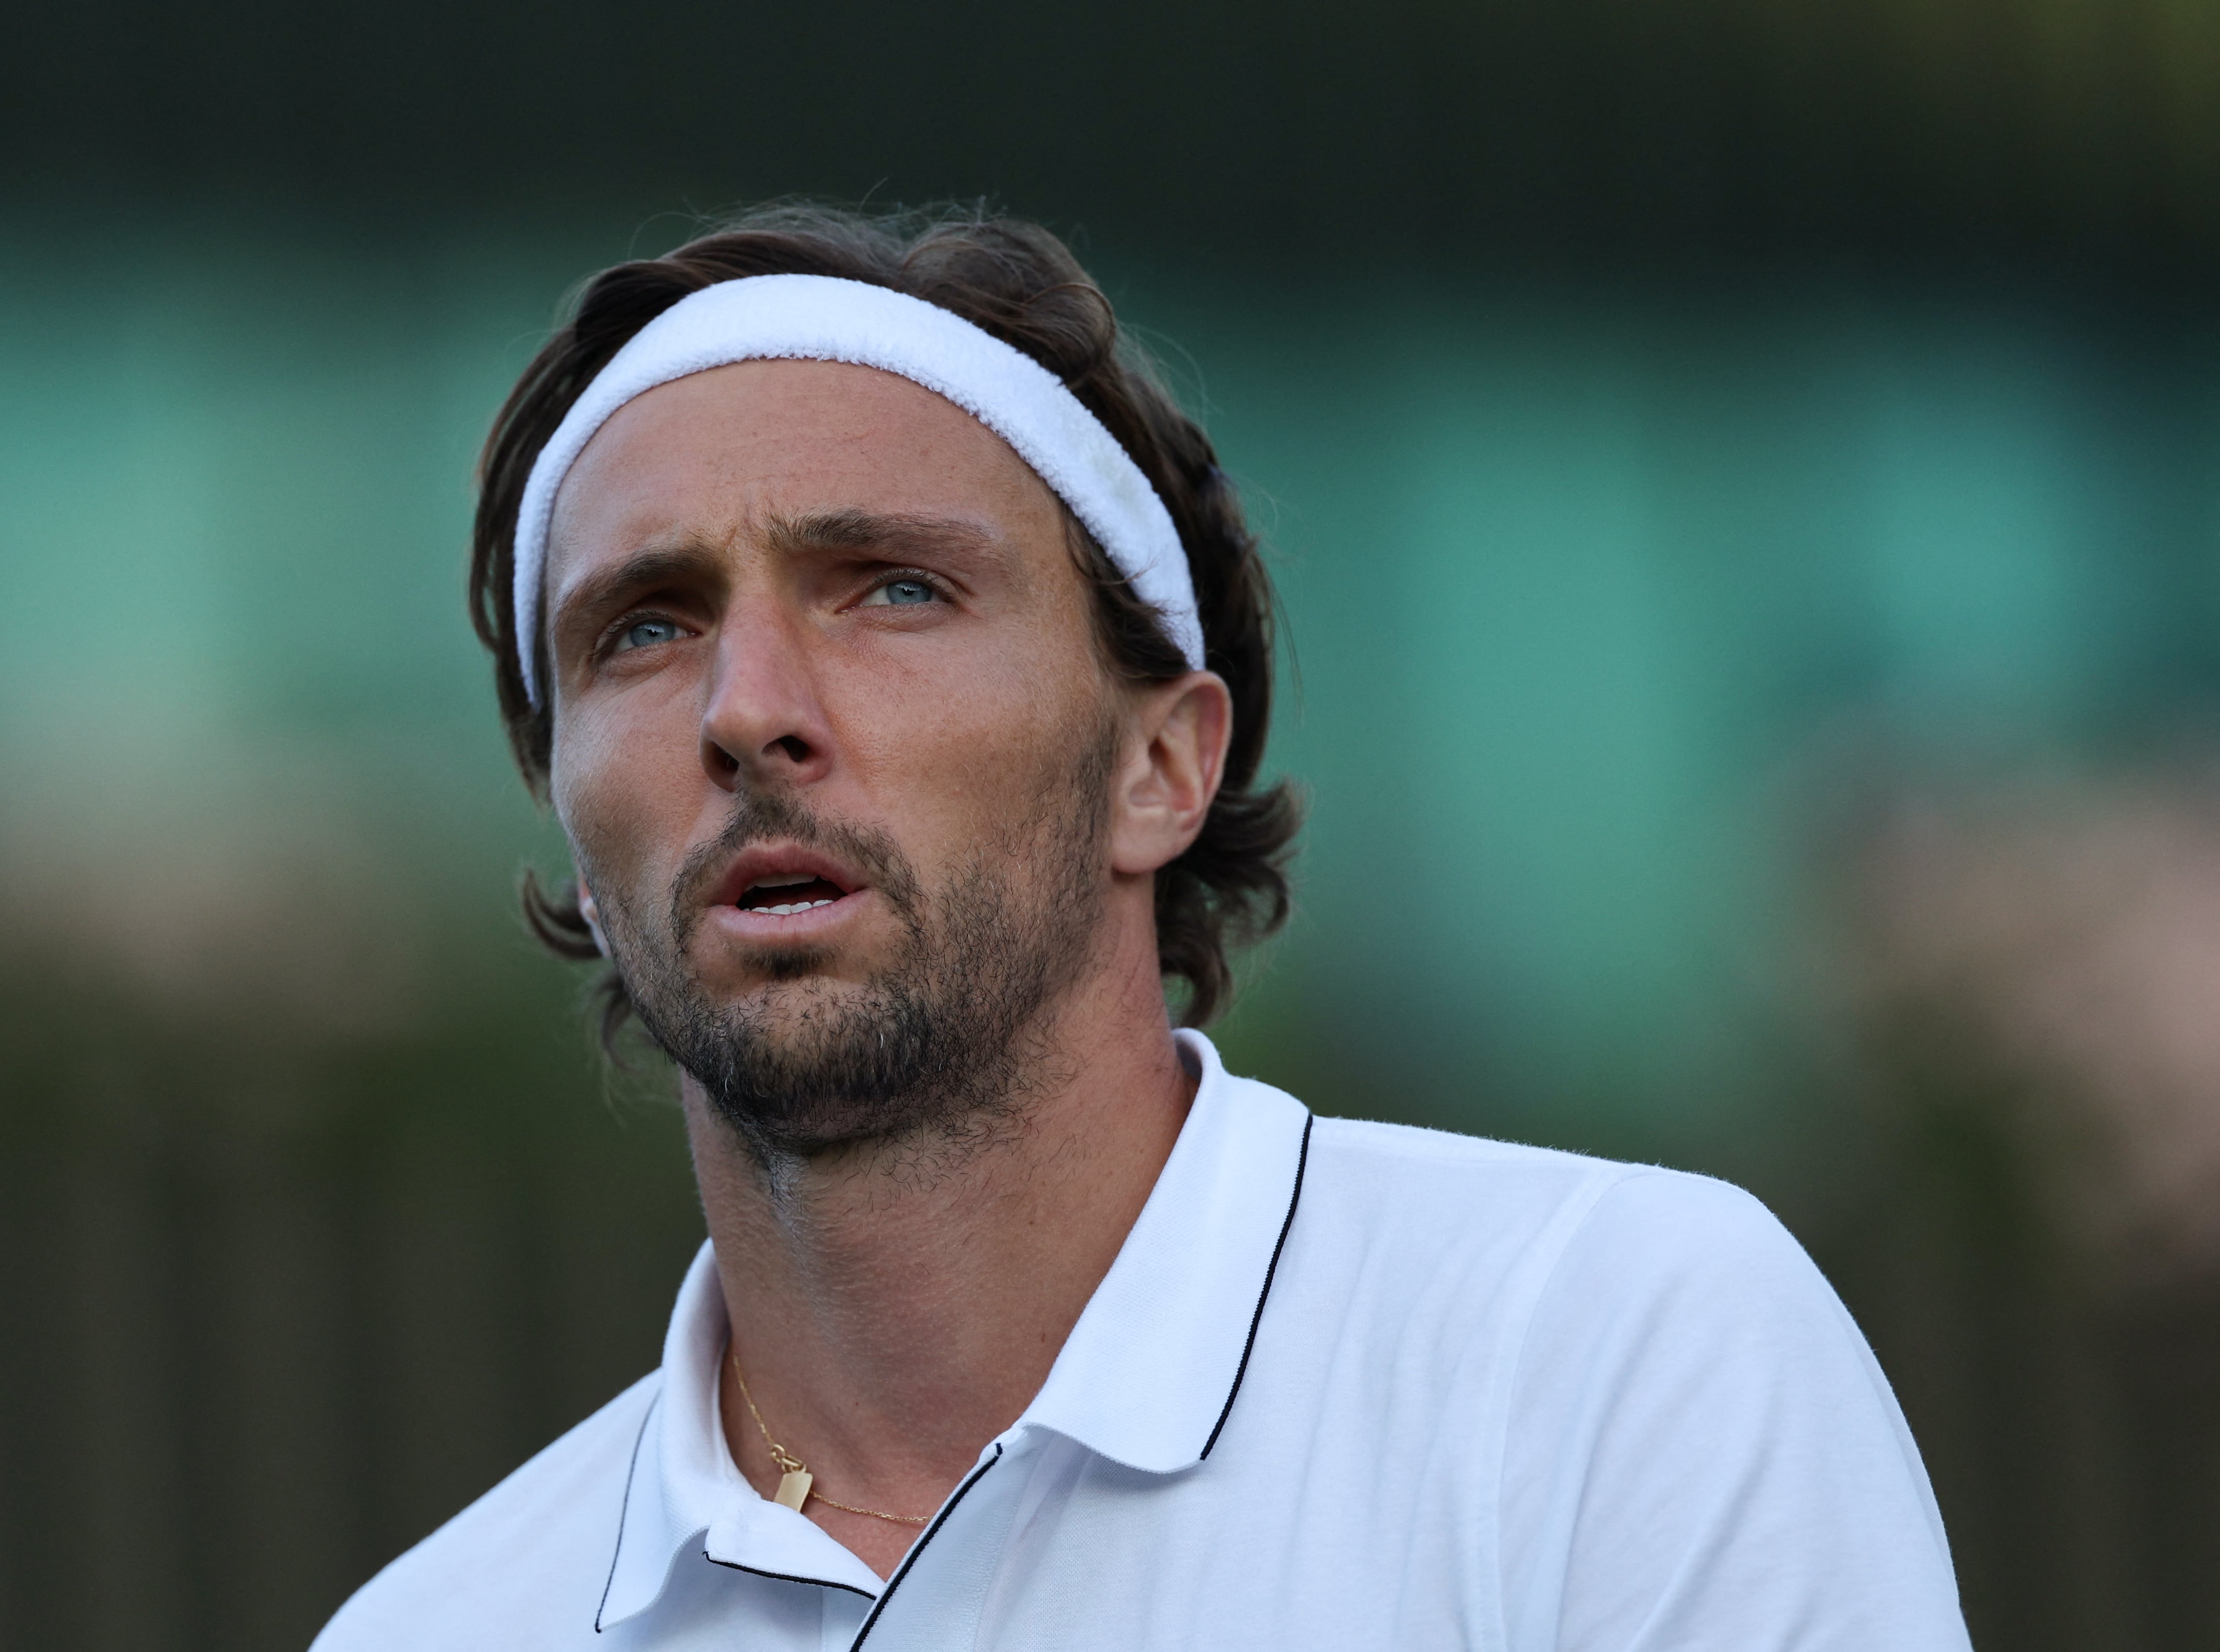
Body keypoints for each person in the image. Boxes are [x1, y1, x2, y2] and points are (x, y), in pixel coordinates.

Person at [312, 204, 1969, 1651]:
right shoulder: (433, 1633)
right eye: (645, 627)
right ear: (584, 853)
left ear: (1161, 764)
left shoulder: (1607, 1355)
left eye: (891, 586)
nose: (747, 711)